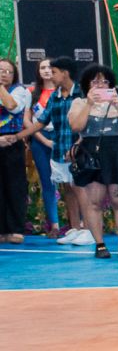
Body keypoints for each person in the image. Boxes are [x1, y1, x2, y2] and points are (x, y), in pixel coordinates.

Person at [65, 64, 118, 258]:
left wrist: (117, 105)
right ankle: (99, 244)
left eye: (105, 81)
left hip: (117, 154)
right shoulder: (79, 103)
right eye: (95, 81)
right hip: (91, 155)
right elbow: (76, 126)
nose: (100, 85)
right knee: (94, 202)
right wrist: (89, 104)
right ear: (87, 84)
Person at [18, 57, 92, 245]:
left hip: (78, 150)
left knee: (80, 188)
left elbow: (89, 123)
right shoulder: (55, 96)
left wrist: (77, 145)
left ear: (65, 73)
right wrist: (18, 136)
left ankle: (89, 230)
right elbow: (41, 121)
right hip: (59, 149)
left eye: (54, 72)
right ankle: (75, 228)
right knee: (68, 188)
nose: (51, 75)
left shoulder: (82, 93)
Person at [26, 58, 60, 235]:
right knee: (47, 182)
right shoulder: (31, 92)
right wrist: (44, 140)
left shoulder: (64, 91)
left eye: (50, 67)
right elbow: (27, 121)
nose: (47, 70)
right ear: (38, 71)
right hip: (40, 140)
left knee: (71, 183)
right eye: (43, 67)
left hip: (62, 138)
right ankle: (55, 225)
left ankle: (80, 224)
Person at [0, 58, 33, 243]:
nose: (4, 74)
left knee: (15, 186)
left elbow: (12, 107)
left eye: (8, 72)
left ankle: (15, 229)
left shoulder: (20, 91)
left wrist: (0, 87)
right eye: (0, 70)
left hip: (12, 141)